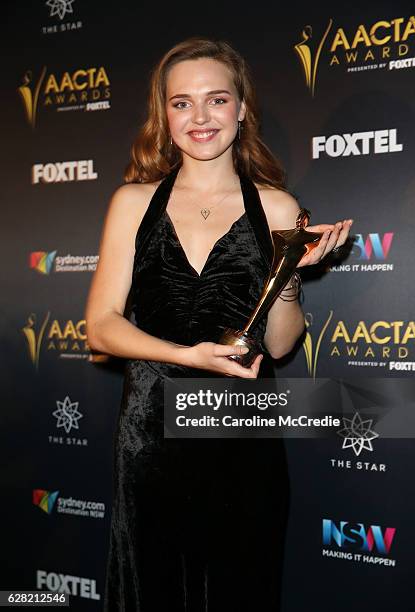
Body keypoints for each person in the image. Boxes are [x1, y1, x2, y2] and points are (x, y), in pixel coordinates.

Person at [85, 37, 351, 612]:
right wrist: (188, 357)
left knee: (240, 588)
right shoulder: (133, 202)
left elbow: (279, 343)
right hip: (150, 437)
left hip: (241, 435)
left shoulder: (278, 208)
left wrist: (285, 276)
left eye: (216, 99)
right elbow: (101, 327)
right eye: (181, 103)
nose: (200, 117)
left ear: (241, 108)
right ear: (165, 116)